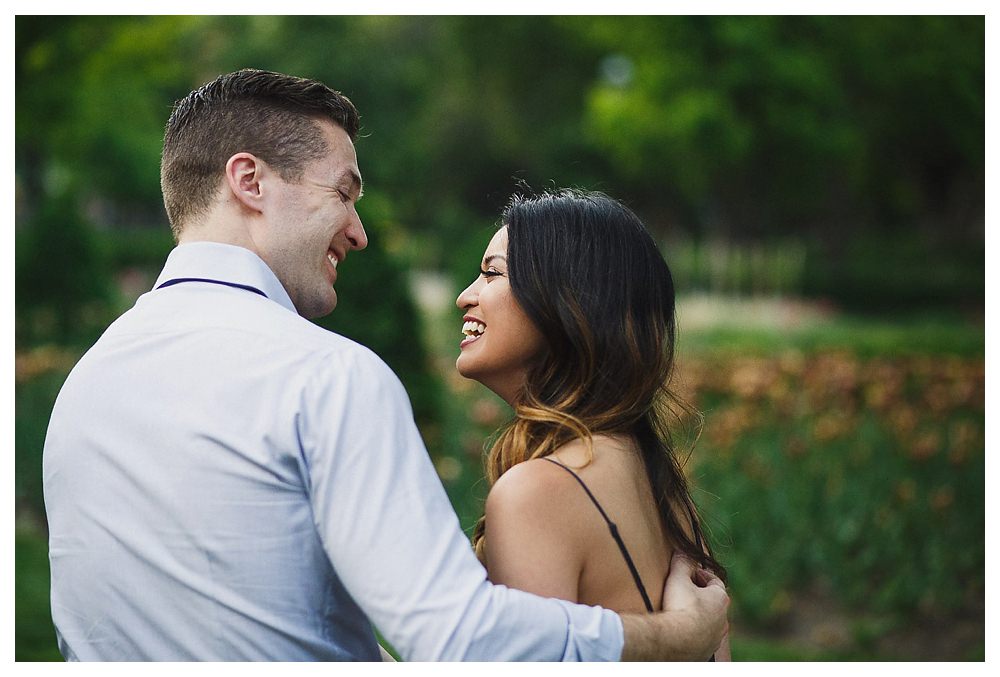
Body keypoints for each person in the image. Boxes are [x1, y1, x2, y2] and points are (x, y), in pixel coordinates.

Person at [42, 69, 728, 661]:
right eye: (343, 192)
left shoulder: (83, 387)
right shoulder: (327, 377)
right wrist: (675, 636)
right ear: (250, 181)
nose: (359, 231)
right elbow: (462, 640)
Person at [455, 190, 731, 659]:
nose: (466, 296)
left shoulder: (535, 494)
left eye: (492, 273)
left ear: (567, 304)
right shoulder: (660, 486)